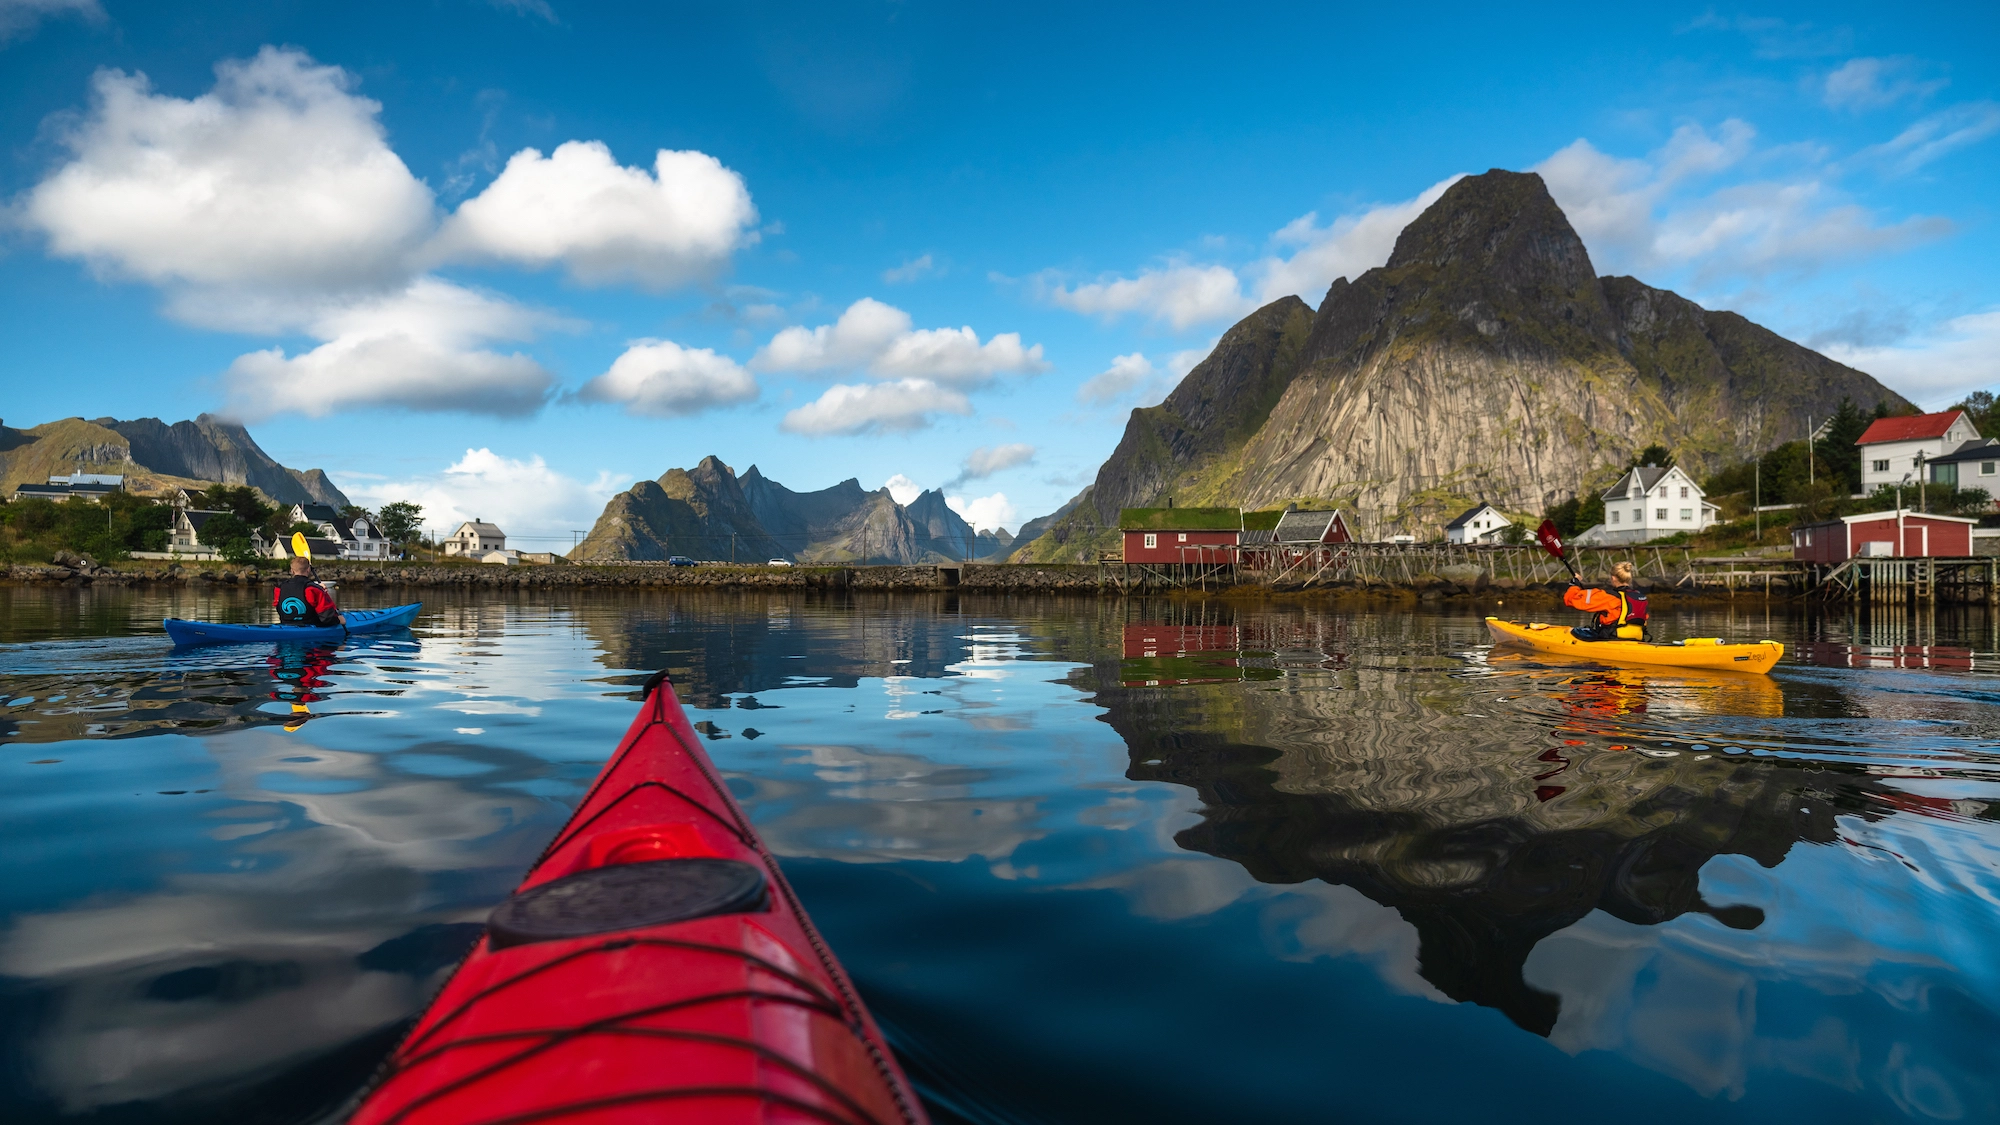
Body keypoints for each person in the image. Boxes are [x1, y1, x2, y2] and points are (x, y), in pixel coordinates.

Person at [1563, 560, 1647, 641]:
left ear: (1613, 578)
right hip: (1637, 637)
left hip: (1612, 638)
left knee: (1576, 632)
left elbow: (1570, 599)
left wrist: (1574, 585)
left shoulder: (1609, 596)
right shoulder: (1640, 596)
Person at [273, 555, 346, 628]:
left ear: (292, 571)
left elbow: (278, 607)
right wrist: (338, 620)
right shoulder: (313, 589)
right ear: (308, 570)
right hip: (311, 626)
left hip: (285, 624)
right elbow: (327, 618)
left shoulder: (279, 588)